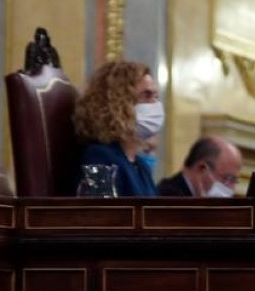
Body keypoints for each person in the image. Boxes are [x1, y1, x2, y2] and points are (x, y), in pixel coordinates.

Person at [73, 61, 164, 197]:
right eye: (146, 95)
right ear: (118, 103)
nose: (155, 104)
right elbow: (99, 216)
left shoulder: (141, 166)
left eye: (156, 97)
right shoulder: (99, 159)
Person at [158, 136, 244, 198]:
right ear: (202, 168)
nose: (231, 189)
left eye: (234, 181)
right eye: (228, 178)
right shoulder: (168, 200)